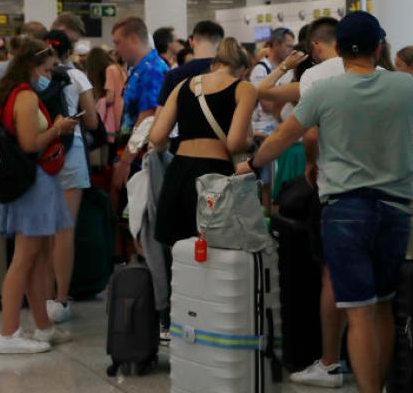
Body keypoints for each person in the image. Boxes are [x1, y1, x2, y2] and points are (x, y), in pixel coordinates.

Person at [242, 12, 413, 393]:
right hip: (396, 209)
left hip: (345, 212)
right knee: (383, 307)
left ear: (338, 49)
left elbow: (285, 135)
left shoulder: (326, 89)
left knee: (356, 312)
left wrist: (253, 164)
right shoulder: (407, 87)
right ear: (378, 48)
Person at [257, 18, 346, 388]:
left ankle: (329, 361)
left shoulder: (316, 77)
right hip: (382, 193)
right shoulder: (384, 76)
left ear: (318, 47)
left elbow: (264, 96)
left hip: (333, 186)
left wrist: (283, 66)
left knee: (331, 275)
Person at [0, 38, 80, 354]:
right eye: (47, 68)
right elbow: (30, 143)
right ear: (32, 67)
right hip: (34, 183)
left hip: (34, 182)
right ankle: (9, 333)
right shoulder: (25, 97)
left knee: (38, 259)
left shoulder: (14, 94)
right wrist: (58, 128)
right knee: (24, 258)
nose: (50, 74)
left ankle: (43, 326)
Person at [146, 38, 257, 245]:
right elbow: (234, 143)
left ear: (215, 64)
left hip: (178, 173)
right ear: (243, 69)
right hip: (214, 175)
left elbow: (157, 136)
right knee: (214, 249)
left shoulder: (183, 85)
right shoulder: (244, 88)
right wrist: (250, 143)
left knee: (179, 254)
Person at [43, 29, 101, 325]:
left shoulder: (37, 77)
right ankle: (61, 299)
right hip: (70, 154)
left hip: (40, 153)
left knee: (42, 229)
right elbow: (91, 120)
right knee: (64, 230)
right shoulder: (77, 77)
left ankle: (42, 293)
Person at [110, 16, 167, 188]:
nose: (116, 50)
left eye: (117, 42)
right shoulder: (138, 69)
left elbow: (147, 119)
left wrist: (125, 161)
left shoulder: (152, 71)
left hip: (140, 158)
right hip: (131, 151)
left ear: (133, 39)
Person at [250, 28, 295, 202]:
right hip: (263, 133)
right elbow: (267, 104)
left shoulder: (286, 70)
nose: (290, 51)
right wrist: (289, 97)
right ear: (276, 44)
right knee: (268, 184)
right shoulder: (261, 70)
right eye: (288, 46)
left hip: (280, 131)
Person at [156, 20, 226, 109]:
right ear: (221, 43)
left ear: (191, 42)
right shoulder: (232, 73)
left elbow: (161, 117)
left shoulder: (174, 75)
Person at [85, 46, 126, 139]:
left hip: (116, 113)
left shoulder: (110, 70)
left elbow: (110, 98)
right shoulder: (118, 67)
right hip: (123, 111)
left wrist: (97, 105)